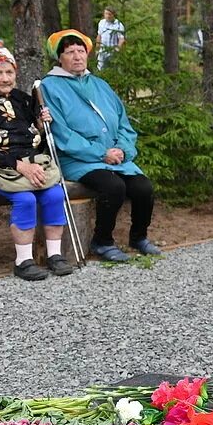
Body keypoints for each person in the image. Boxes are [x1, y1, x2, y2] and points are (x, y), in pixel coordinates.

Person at [41, 30, 160, 262]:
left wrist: (123, 150)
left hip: (114, 158)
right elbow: (62, 135)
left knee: (143, 187)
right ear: (59, 58)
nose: (77, 56)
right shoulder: (50, 86)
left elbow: (123, 123)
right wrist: (100, 153)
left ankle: (138, 237)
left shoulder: (100, 85)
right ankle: (102, 241)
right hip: (77, 159)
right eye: (69, 52)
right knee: (113, 187)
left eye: (81, 51)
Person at [0, 48, 73, 281]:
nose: (5, 78)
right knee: (25, 198)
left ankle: (55, 255)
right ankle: (23, 261)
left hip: (28, 165)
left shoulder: (22, 99)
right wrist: (20, 166)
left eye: (9, 72)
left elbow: (33, 140)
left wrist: (41, 126)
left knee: (53, 194)